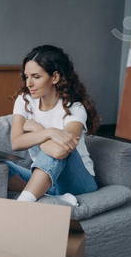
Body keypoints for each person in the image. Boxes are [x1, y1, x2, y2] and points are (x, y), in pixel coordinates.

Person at [6, 45, 100, 205]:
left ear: (55, 77)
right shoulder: (24, 100)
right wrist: (50, 133)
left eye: (36, 76)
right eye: (26, 76)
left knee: (59, 151)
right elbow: (16, 142)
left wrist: (39, 129)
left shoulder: (74, 109)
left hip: (79, 183)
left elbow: (59, 151)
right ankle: (50, 196)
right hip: (46, 179)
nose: (28, 83)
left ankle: (22, 205)